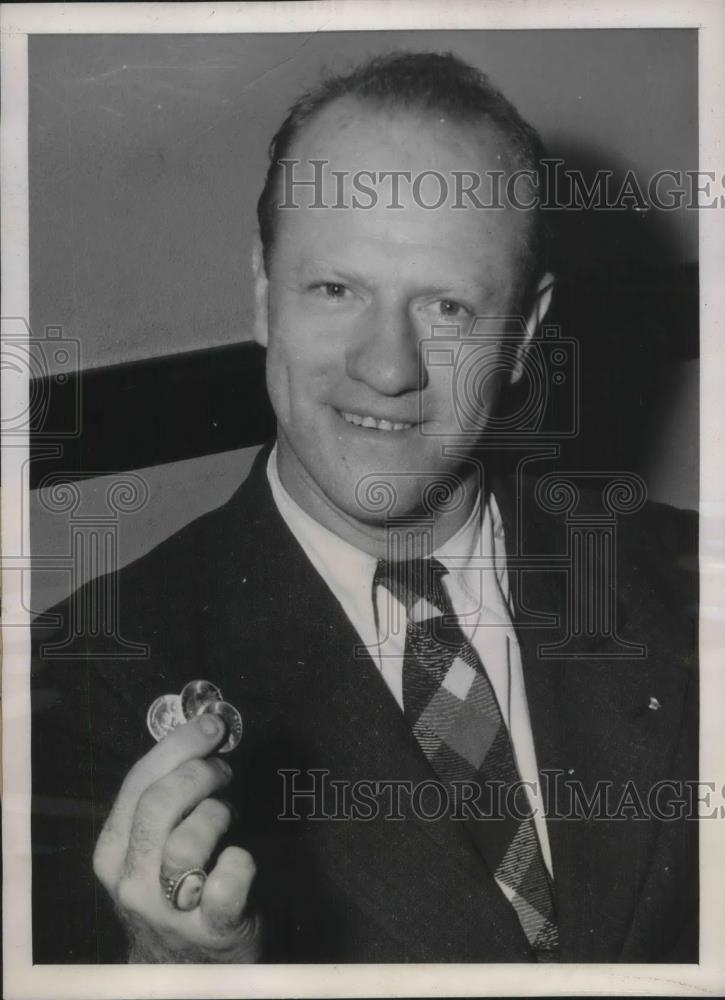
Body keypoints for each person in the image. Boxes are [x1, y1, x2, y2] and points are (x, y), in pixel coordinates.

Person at [31, 51, 697, 964]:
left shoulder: (691, 590)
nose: (387, 367)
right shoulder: (80, 684)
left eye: (449, 308)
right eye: (335, 290)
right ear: (264, 297)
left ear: (524, 335)